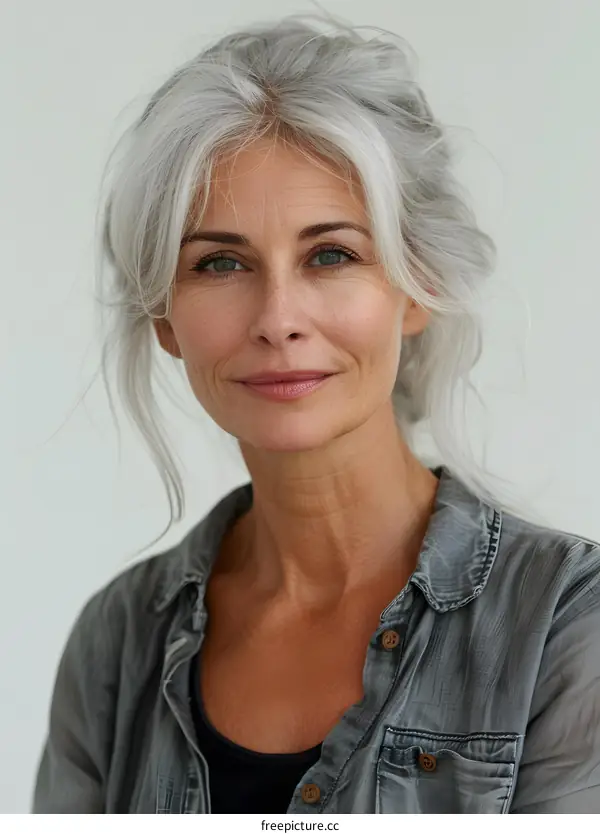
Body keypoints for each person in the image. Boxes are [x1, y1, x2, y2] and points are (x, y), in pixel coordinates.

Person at [33, 14, 600, 814]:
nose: (278, 317)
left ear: (419, 284)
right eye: (220, 263)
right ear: (164, 316)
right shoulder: (116, 643)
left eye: (330, 254)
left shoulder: (568, 625)